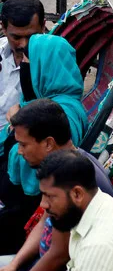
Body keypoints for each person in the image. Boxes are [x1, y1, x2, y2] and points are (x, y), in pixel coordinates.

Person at [0, 100, 113, 271]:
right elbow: (43, 223)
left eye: (23, 144)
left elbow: (57, 256)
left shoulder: (72, 181)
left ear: (48, 143)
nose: (20, 151)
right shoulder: (65, 165)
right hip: (35, 269)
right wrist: (14, 264)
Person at [1, 34, 87, 257]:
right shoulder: (55, 104)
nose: (24, 67)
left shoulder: (49, 117)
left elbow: (28, 197)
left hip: (21, 221)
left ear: (44, 68)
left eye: (29, 62)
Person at [0, 0, 45, 127]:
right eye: (16, 37)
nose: (24, 45)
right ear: (3, 28)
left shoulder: (51, 62)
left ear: (43, 26)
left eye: (31, 36)